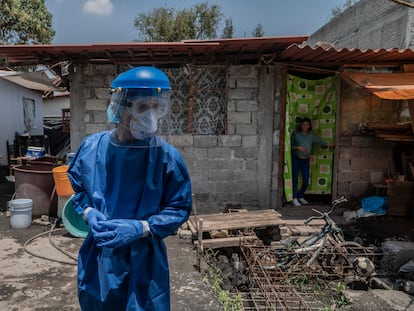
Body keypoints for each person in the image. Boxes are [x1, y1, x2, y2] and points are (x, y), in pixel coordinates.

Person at [67, 66, 192, 311]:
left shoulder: (166, 157)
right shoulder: (91, 148)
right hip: (101, 256)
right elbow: (79, 190)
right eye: (143, 107)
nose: (151, 117)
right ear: (120, 106)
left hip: (145, 259)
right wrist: (89, 213)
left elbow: (179, 207)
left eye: (157, 107)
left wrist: (142, 227)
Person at [291, 117, 334, 207]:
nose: (304, 126)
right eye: (303, 124)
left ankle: (301, 196)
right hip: (296, 159)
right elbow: (290, 146)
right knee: (295, 179)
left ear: (309, 126)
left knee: (306, 179)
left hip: (306, 160)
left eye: (306, 125)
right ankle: (294, 198)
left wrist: (332, 144)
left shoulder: (311, 135)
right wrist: (298, 147)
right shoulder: (296, 134)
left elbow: (321, 142)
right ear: (301, 125)